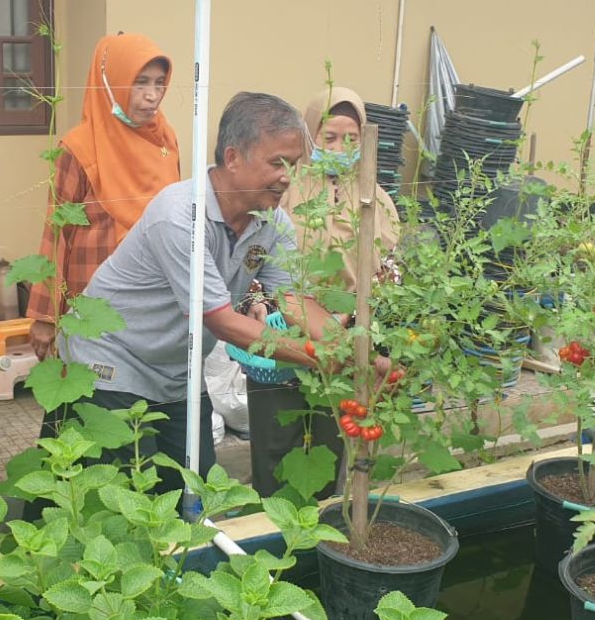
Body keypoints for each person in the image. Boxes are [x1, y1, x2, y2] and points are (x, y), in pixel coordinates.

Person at [63, 92, 386, 494]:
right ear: (232, 158)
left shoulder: (272, 221)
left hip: (177, 371)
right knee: (118, 492)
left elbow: (294, 302)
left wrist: (356, 354)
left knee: (195, 491)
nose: (288, 176)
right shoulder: (181, 215)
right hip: (111, 359)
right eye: (277, 163)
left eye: (295, 164)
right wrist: (319, 358)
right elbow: (219, 319)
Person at [247, 87, 402, 498]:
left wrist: (351, 316)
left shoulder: (376, 199)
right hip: (286, 330)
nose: (341, 148)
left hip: (346, 336)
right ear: (309, 134)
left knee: (331, 437)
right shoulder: (285, 188)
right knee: (278, 440)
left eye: (352, 140)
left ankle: (315, 529)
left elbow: (390, 271)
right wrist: (259, 302)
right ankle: (269, 526)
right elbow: (253, 256)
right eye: (329, 137)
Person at [26, 33, 179, 359]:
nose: (152, 96)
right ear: (111, 82)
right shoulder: (78, 147)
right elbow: (57, 234)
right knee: (92, 398)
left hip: (155, 302)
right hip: (93, 302)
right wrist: (46, 315)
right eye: (140, 83)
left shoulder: (165, 140)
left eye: (159, 83)